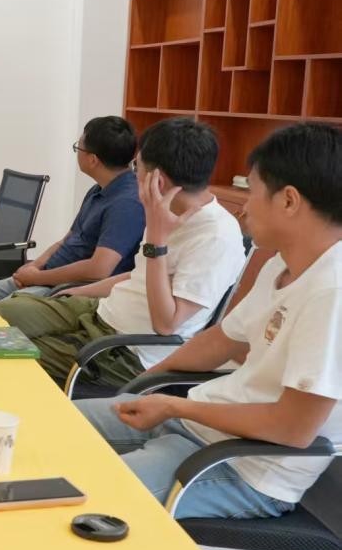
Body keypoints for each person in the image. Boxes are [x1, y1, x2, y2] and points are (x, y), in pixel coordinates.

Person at [75, 123, 342, 519]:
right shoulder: (283, 264)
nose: (244, 207)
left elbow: (292, 428)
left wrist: (175, 407)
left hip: (243, 468)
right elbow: (221, 340)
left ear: (289, 201)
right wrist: (146, 384)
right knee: (51, 428)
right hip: (200, 426)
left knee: (82, 494)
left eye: (253, 192)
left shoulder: (331, 291)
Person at [0, 117, 245, 388]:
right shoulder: (163, 209)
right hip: (100, 311)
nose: (133, 175)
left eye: (137, 167)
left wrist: (156, 240)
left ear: (157, 181)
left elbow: (166, 325)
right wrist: (79, 292)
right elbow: (138, 276)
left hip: (126, 351)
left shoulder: (216, 236)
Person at [0, 116, 144, 303]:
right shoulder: (99, 189)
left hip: (65, 288)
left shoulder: (127, 204)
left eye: (78, 148)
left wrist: (37, 277)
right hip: (45, 276)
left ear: (93, 159)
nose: (76, 153)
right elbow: (67, 240)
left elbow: (99, 269)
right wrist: (34, 267)